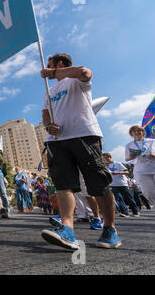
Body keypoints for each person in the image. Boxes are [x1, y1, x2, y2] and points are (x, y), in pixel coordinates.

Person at [40, 53, 120, 250]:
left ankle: (110, 228)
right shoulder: (48, 91)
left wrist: (54, 72)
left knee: (98, 183)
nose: (46, 68)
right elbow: (45, 115)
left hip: (84, 135)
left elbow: (85, 72)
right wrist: (49, 126)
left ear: (59, 64)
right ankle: (67, 229)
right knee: (63, 185)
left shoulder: (76, 80)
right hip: (57, 141)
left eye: (49, 63)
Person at [125, 125, 155, 205]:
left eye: (139, 130)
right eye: (134, 131)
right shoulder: (129, 145)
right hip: (141, 171)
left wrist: (152, 155)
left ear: (143, 132)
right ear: (131, 134)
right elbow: (127, 159)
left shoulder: (152, 141)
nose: (137, 132)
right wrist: (132, 156)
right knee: (148, 192)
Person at [103, 152, 140, 217]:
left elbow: (127, 171)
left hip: (122, 184)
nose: (105, 159)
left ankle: (135, 211)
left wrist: (118, 172)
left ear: (110, 157)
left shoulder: (117, 163)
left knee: (129, 198)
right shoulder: (104, 166)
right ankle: (125, 212)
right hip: (113, 184)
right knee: (119, 199)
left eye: (106, 157)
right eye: (103, 158)